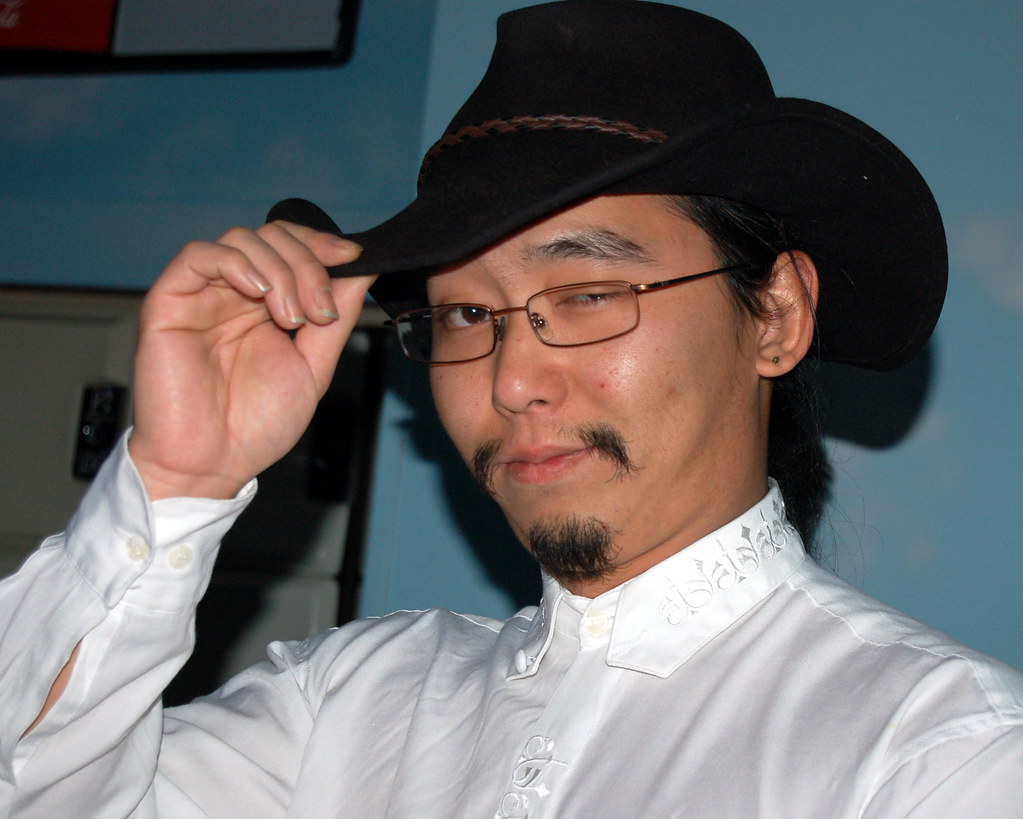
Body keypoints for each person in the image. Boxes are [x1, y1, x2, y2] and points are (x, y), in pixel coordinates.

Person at [1, 1, 1021, 816]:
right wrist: (177, 481)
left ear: (776, 313)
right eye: (464, 315)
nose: (509, 379)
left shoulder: (940, 753)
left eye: (587, 294)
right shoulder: (347, 700)